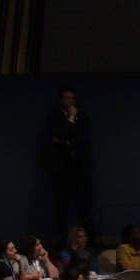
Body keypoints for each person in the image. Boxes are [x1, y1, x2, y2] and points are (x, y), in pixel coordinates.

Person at [38, 88, 94, 243]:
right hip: (61, 170)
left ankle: (88, 240)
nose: (69, 101)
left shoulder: (83, 117)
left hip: (81, 169)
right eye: (66, 98)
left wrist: (67, 142)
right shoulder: (54, 117)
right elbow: (57, 136)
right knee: (61, 207)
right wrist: (70, 119)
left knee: (84, 206)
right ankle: (62, 240)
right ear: (61, 100)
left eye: (72, 98)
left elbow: (83, 138)